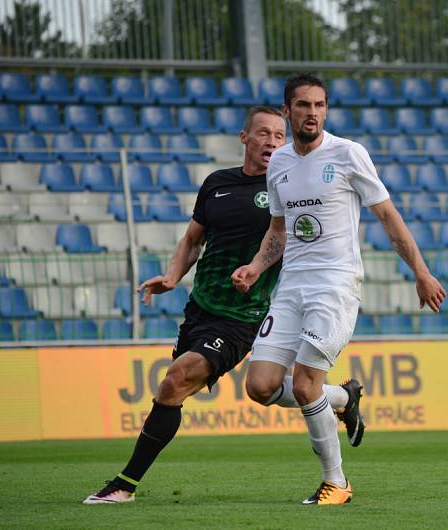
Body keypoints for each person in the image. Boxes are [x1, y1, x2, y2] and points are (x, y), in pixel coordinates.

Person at [83, 106, 364, 504]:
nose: (272, 141)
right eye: (263, 133)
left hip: (243, 314)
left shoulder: (288, 183)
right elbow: (193, 239)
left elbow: (286, 237)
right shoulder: (217, 184)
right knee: (249, 390)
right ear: (244, 137)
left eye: (279, 135)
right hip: (201, 307)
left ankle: (124, 485)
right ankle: (340, 397)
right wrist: (172, 275)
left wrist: (262, 269)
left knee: (174, 380)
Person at [232, 73, 446, 506]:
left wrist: (421, 272)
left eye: (320, 105)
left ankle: (337, 483)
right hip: (291, 285)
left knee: (307, 385)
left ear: (326, 110)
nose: (313, 113)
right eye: (304, 105)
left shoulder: (348, 154)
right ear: (288, 110)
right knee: (260, 385)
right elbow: (278, 230)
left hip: (334, 284)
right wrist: (256, 266)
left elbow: (388, 217)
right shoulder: (279, 164)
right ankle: (345, 399)